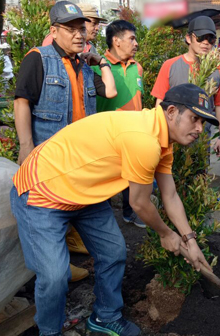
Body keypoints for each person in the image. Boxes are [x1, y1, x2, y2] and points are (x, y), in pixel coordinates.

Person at [10, 83, 216, 336]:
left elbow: (170, 194)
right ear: (171, 111)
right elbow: (139, 203)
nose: (199, 129)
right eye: (195, 119)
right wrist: (166, 234)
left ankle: (105, 316)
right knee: (54, 276)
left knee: (113, 252)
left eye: (203, 123)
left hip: (85, 191)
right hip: (43, 189)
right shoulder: (144, 140)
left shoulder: (163, 140)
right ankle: (50, 331)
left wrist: (189, 239)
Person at [14, 1, 116, 282]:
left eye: (82, 28)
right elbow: (22, 102)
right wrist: (26, 146)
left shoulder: (84, 68)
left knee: (110, 247)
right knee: (50, 237)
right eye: (71, 28)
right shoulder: (38, 58)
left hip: (81, 170)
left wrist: (101, 61)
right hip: (48, 168)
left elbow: (109, 90)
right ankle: (55, 274)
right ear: (53, 30)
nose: (79, 34)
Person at [92, 19, 146, 228]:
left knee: (132, 177)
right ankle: (99, 221)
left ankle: (129, 212)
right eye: (131, 38)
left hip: (134, 134)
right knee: (104, 178)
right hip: (106, 135)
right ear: (116, 41)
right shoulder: (97, 67)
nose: (136, 43)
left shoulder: (137, 67)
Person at [151, 15, 220, 156]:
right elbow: (160, 103)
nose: (206, 43)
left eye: (211, 39)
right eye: (201, 37)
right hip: (172, 136)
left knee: (200, 173)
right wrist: (157, 134)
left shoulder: (218, 71)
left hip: (201, 137)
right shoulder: (170, 66)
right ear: (189, 38)